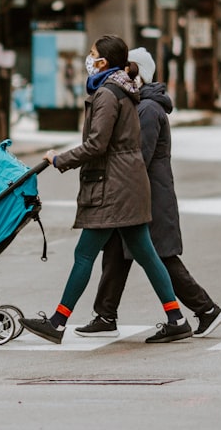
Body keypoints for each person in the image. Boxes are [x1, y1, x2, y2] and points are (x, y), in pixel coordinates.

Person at [20, 35, 193, 344]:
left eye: (93, 54)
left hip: (113, 186)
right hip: (128, 183)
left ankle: (58, 322)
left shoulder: (108, 94)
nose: (89, 58)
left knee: (84, 253)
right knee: (147, 254)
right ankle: (176, 318)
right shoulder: (124, 90)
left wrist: (61, 159)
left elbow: (98, 143)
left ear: (103, 62)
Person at [74, 47, 221, 339]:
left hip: (148, 198)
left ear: (138, 72)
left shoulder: (147, 110)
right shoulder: (140, 105)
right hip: (138, 195)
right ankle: (105, 316)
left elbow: (135, 159)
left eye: (126, 69)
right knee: (117, 253)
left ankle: (206, 309)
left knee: (160, 257)